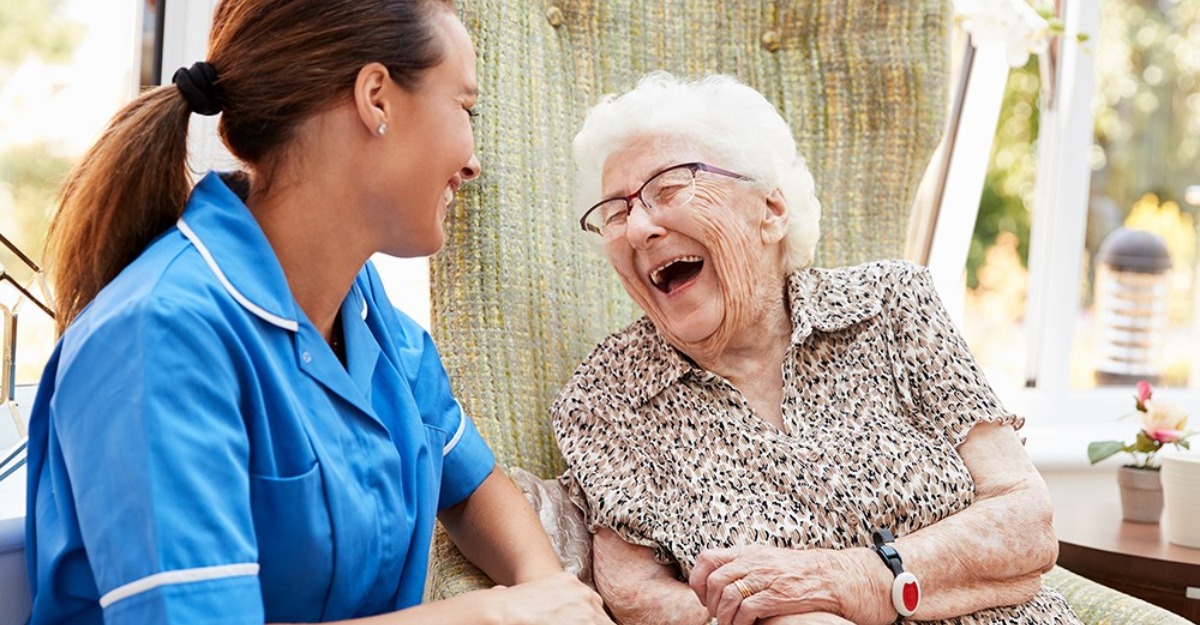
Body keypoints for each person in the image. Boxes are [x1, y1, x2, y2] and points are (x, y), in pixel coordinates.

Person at [25, 1, 612, 624]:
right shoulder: (157, 336)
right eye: (465, 109)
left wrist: (553, 594)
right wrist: (497, 615)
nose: (474, 160)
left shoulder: (364, 310)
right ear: (377, 98)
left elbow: (468, 487)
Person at [552, 72, 1082, 625]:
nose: (638, 228)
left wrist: (860, 580)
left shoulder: (890, 303)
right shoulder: (608, 397)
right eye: (616, 211)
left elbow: (1026, 521)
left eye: (668, 188)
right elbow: (635, 594)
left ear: (771, 211)